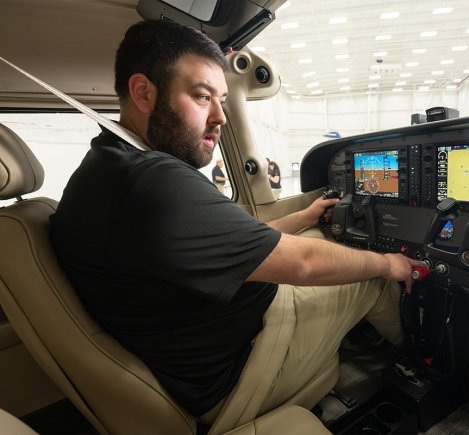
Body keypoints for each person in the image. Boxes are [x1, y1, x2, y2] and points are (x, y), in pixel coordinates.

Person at [50, 19, 420, 422]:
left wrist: (304, 216)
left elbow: (237, 244)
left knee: (321, 236)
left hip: (205, 347)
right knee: (367, 272)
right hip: (241, 370)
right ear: (143, 93)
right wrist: (388, 264)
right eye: (202, 96)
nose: (221, 117)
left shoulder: (106, 166)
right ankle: (419, 363)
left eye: (222, 100)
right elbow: (304, 264)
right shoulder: (151, 181)